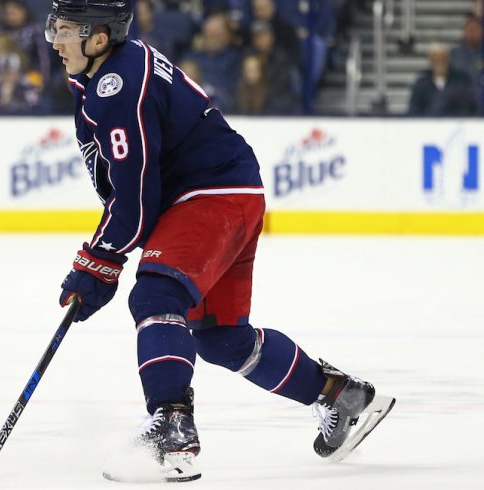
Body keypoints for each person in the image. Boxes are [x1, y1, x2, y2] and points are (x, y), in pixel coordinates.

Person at [45, 0, 395, 482]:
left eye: (65, 31)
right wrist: (105, 255)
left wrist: (99, 260)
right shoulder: (105, 73)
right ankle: (340, 395)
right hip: (229, 191)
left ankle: (171, 425)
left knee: (156, 294)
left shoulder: (117, 86)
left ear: (98, 38)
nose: (54, 40)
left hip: (209, 196)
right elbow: (130, 193)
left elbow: (137, 197)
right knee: (222, 337)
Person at [408, 43, 478, 117]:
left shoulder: (461, 81)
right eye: (436, 58)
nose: (440, 61)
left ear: (448, 59)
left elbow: (469, 107)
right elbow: (414, 109)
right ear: (430, 61)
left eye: (443, 57)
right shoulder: (421, 84)